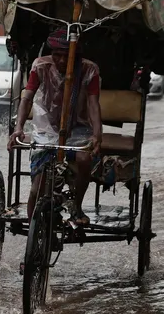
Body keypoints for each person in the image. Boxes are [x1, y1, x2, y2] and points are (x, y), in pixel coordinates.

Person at [7, 28, 102, 227]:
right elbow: (27, 98)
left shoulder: (89, 70)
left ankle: (76, 206)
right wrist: (19, 128)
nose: (59, 60)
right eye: (56, 55)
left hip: (78, 127)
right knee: (36, 188)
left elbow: (94, 104)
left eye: (65, 56)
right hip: (46, 128)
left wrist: (96, 134)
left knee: (84, 158)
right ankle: (33, 233)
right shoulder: (40, 66)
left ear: (75, 56)